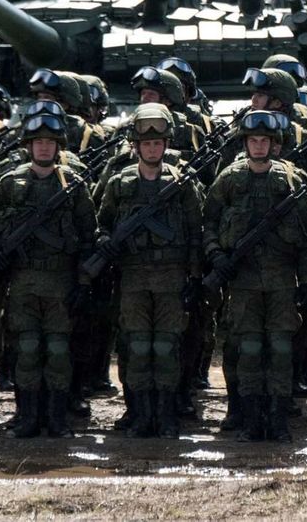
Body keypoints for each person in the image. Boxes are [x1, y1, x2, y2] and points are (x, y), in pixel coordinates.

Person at [202, 109, 307, 442]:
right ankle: (250, 418)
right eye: (253, 140)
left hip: (282, 281)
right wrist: (216, 255)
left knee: (280, 351)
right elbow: (208, 224)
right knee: (248, 350)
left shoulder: (293, 182)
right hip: (243, 282)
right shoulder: (229, 180)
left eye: (265, 140)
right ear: (245, 143)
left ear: (274, 144)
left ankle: (278, 419)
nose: (259, 146)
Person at [94, 104, 204, 438]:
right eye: (147, 144)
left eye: (158, 143)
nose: (153, 149)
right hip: (133, 277)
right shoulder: (119, 183)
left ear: (166, 145)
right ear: (136, 146)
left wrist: (194, 277)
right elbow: (101, 225)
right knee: (137, 347)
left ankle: (166, 415)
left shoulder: (183, 184)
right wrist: (105, 243)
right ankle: (140, 413)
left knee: (167, 348)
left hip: (171, 277)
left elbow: (196, 232)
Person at [0, 113, 97, 438]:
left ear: (58, 146)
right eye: (38, 142)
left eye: (50, 142)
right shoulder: (9, 184)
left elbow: (88, 238)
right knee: (26, 350)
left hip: (60, 282)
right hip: (23, 281)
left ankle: (56, 417)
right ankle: (27, 416)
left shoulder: (74, 186)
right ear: (29, 146)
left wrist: (83, 283)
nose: (44, 147)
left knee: (59, 351)